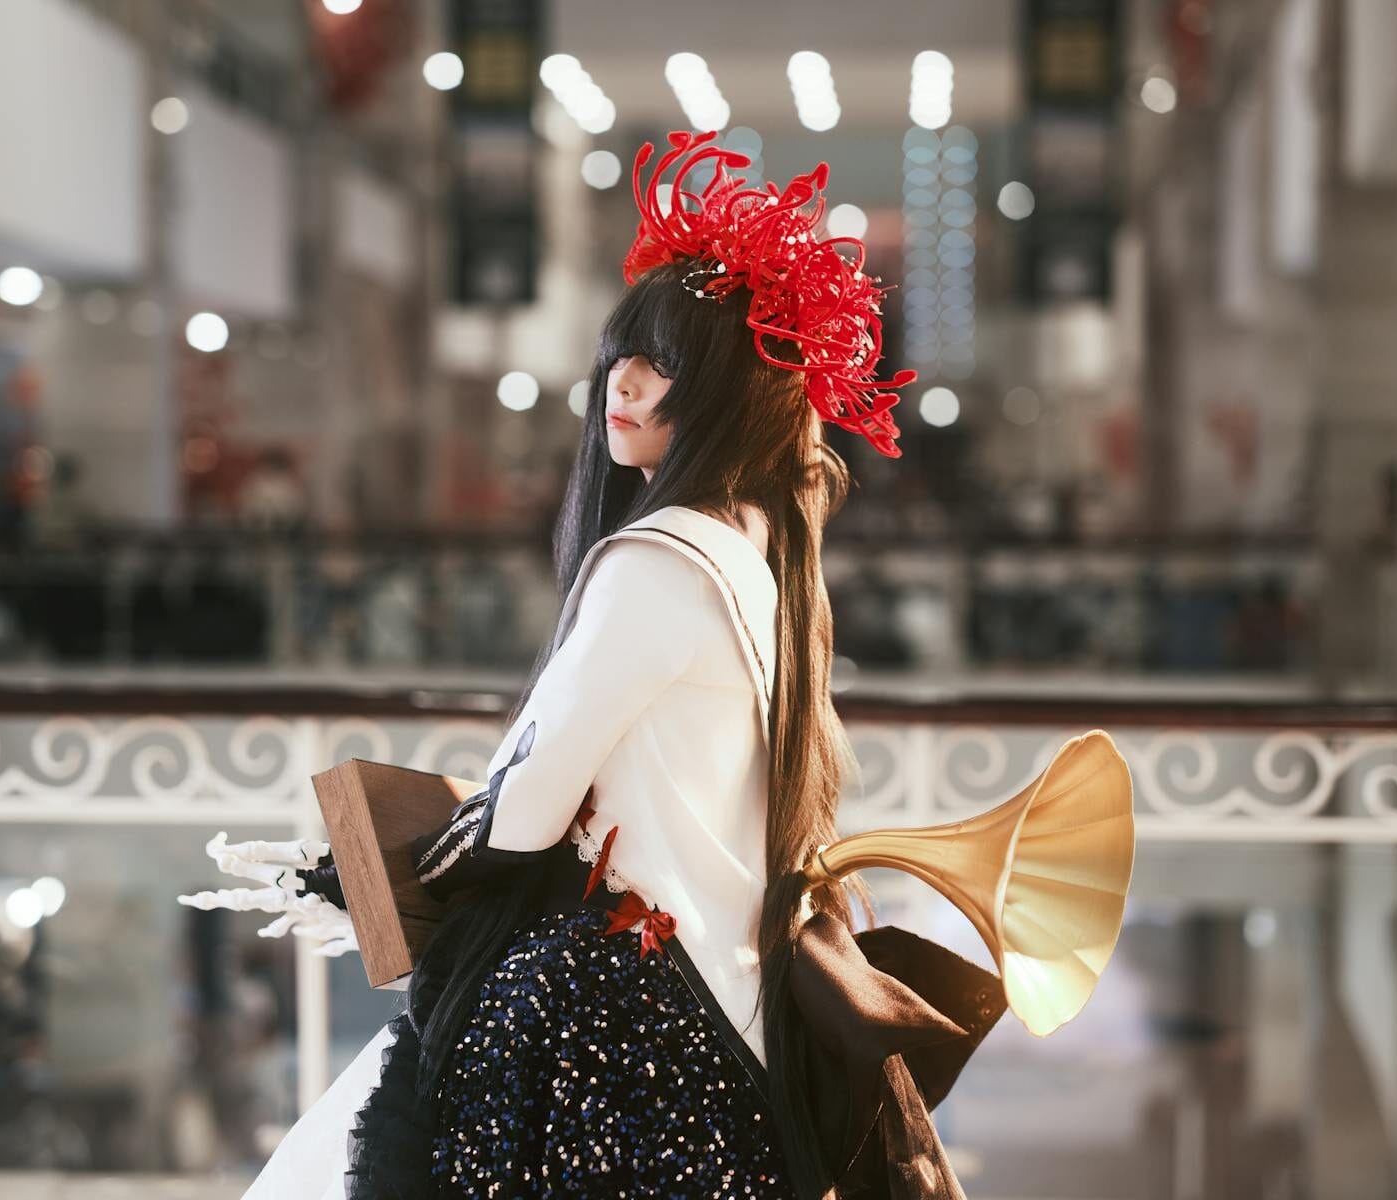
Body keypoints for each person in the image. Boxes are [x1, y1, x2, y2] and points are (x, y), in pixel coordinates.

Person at [183, 129, 998, 1199]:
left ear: (723, 392)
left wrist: (390, 871)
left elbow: (525, 811)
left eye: (664, 365)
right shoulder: (758, 546)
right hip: (727, 1004)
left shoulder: (653, 563)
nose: (622, 385)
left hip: (620, 1005)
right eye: (621, 356)